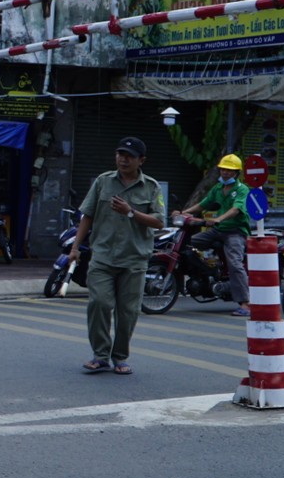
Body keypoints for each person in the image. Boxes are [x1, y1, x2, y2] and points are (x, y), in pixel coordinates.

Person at [69, 136, 166, 375]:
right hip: (102, 256)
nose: (123, 159)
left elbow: (159, 222)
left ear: (141, 160)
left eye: (130, 156)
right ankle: (100, 355)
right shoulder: (103, 182)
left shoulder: (151, 187)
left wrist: (130, 212)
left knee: (128, 311)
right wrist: (75, 248)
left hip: (134, 258)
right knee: (100, 303)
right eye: (120, 154)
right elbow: (87, 215)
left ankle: (120, 356)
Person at [178, 154, 252, 316]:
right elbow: (202, 205)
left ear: (236, 173)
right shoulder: (217, 188)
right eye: (223, 169)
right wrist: (183, 213)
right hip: (217, 231)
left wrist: (218, 219)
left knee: (235, 263)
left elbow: (236, 209)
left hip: (235, 231)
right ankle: (206, 273)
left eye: (230, 170)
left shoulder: (242, 189)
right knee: (186, 243)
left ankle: (245, 303)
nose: (225, 173)